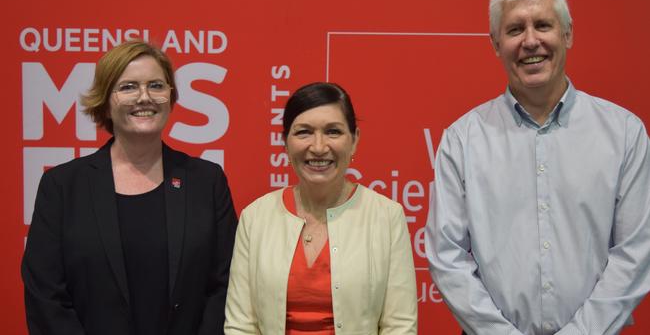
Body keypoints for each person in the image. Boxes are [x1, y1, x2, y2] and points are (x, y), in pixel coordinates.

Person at [426, 0, 650, 335]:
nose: (530, 41)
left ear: (568, 35)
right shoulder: (461, 140)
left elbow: (636, 251)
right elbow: (446, 255)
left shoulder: (624, 133)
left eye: (543, 25)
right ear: (496, 44)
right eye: (515, 29)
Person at [21, 40, 237, 335]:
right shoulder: (62, 186)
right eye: (128, 87)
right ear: (105, 102)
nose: (144, 97)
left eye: (156, 86)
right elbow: (46, 296)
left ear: (170, 97)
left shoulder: (206, 181)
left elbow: (225, 284)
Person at [224, 82, 417, 334]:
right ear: (285, 142)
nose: (318, 146)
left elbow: (400, 326)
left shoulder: (386, 217)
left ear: (354, 140)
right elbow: (241, 325)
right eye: (303, 132)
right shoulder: (255, 218)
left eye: (333, 132)